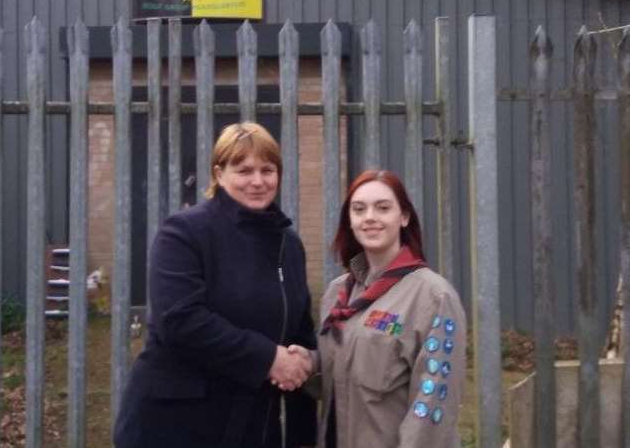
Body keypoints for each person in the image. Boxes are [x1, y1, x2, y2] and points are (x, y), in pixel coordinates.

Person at [114, 122, 317, 448]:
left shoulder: (288, 245)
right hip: (174, 427)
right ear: (219, 174)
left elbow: (299, 334)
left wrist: (301, 435)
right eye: (244, 170)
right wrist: (268, 358)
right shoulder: (183, 233)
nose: (257, 181)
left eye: (268, 170)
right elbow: (179, 321)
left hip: (252, 426)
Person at [290, 169, 466, 448]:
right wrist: (309, 363)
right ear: (350, 220)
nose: (370, 217)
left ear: (404, 216)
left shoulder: (433, 297)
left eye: (383, 208)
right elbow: (342, 374)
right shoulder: (338, 293)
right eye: (359, 209)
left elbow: (432, 408)